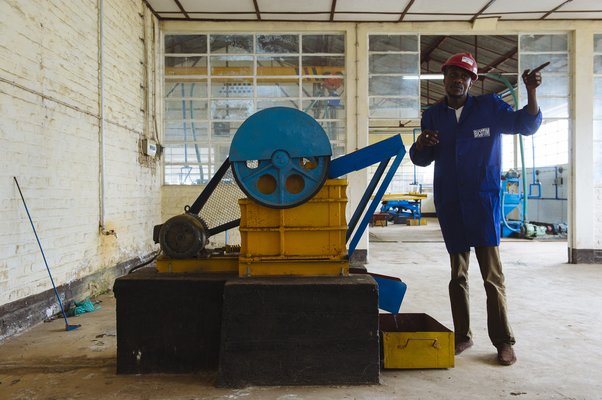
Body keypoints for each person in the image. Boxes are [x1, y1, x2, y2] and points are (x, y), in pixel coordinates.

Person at [409, 52, 543, 366]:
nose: (457, 80)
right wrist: (421, 144)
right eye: (452, 74)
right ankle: (463, 336)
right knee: (458, 276)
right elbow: (421, 159)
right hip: (451, 204)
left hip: (482, 204)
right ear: (444, 78)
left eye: (464, 76)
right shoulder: (432, 116)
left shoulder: (490, 109)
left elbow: (526, 124)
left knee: (492, 279)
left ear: (472, 81)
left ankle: (504, 342)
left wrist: (532, 92)